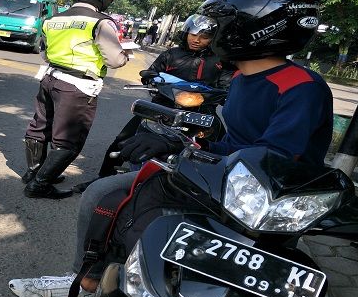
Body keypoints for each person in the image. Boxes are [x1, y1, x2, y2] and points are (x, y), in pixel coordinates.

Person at [8, 0, 334, 297]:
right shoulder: (242, 77)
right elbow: (232, 138)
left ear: (255, 31)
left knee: (152, 218)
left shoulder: (301, 86)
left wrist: (183, 151)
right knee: (102, 194)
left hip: (262, 200)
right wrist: (181, 144)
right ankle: (84, 280)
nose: (208, 34)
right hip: (222, 174)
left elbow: (274, 158)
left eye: (218, 25)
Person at [72, 14, 236, 193]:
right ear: (186, 33)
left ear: (213, 39)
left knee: (222, 147)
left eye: (204, 37)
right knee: (122, 140)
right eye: (193, 34)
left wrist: (221, 94)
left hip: (200, 113)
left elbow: (228, 86)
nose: (196, 40)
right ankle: (102, 179)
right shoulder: (171, 54)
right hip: (161, 108)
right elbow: (151, 73)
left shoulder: (221, 61)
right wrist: (150, 78)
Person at [21, 0, 129, 200]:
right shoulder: (101, 22)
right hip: (78, 86)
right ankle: (39, 185)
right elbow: (115, 61)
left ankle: (34, 173)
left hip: (49, 78)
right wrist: (125, 54)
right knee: (69, 140)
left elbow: (44, 52)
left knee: (40, 127)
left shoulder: (54, 19)